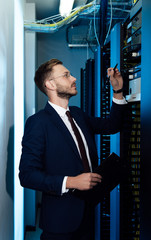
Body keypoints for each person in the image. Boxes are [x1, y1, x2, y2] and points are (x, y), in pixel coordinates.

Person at [19, 58, 127, 240]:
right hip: (59, 224)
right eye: (67, 75)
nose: (74, 78)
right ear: (50, 84)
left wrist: (117, 91)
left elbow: (112, 125)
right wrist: (71, 182)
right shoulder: (38, 123)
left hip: (88, 215)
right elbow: (27, 175)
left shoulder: (77, 113)